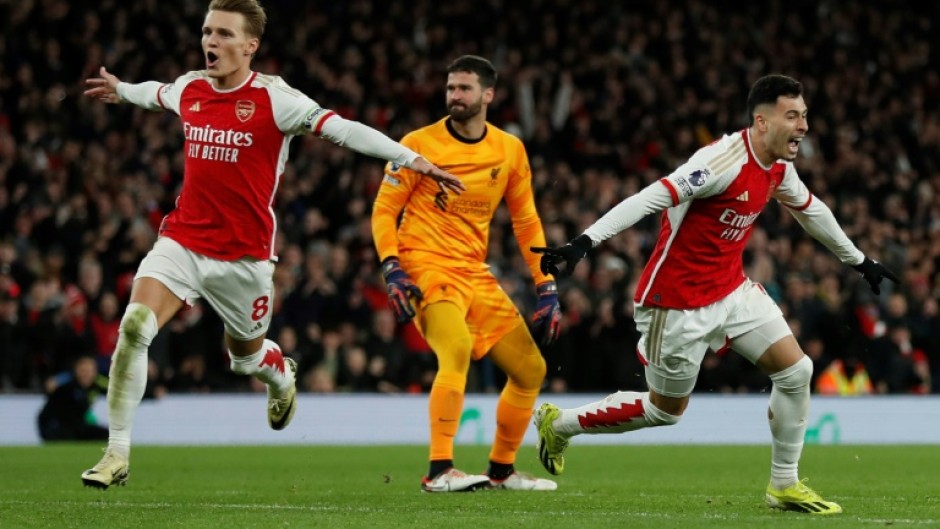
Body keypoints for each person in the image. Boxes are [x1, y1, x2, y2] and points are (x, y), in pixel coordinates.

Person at [79, 0, 464, 490]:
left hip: (244, 258)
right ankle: (117, 453)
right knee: (134, 326)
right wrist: (120, 90)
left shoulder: (274, 99)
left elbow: (342, 130)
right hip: (183, 240)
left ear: (250, 46)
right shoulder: (191, 87)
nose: (210, 43)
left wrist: (415, 161)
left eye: (222, 34)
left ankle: (280, 373)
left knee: (245, 358)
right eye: (206, 32)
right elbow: (153, 94)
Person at [531, 74, 899, 514]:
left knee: (797, 371)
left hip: (731, 291)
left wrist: (858, 260)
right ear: (762, 122)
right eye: (792, 116)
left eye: (804, 116)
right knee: (665, 411)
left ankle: (784, 484)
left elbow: (810, 210)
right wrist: (585, 242)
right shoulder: (720, 162)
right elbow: (653, 196)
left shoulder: (778, 166)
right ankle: (560, 424)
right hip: (676, 303)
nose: (803, 126)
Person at [371, 55, 558, 492]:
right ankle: (439, 470)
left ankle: (501, 471)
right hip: (425, 265)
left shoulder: (509, 149)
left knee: (531, 370)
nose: (454, 96)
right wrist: (391, 266)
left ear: (488, 95)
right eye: (451, 88)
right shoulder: (418, 143)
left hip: (474, 272)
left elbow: (526, 222)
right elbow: (384, 211)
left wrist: (545, 284)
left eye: (464, 89)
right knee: (454, 348)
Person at [37, 355, 110, 442]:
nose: (86, 374)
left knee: (107, 436)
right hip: (55, 425)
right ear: (76, 371)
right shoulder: (66, 386)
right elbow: (49, 389)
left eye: (90, 371)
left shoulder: (96, 385)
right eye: (83, 371)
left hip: (77, 426)